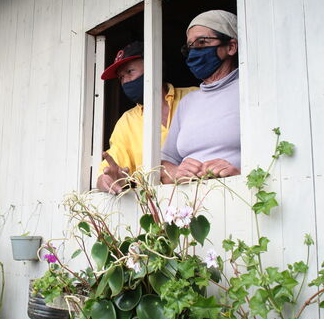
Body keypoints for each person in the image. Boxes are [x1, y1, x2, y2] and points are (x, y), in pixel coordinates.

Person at [96, 41, 197, 194]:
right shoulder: (126, 122)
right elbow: (110, 168)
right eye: (121, 78)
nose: (126, 82)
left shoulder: (194, 96)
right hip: (158, 211)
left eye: (130, 71)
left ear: (154, 65)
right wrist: (105, 180)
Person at [161, 10, 240, 184]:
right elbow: (164, 162)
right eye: (190, 46)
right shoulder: (188, 102)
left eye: (202, 42)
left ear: (231, 47)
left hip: (240, 198)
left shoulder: (251, 91)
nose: (194, 51)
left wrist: (240, 174)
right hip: (189, 204)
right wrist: (176, 172)